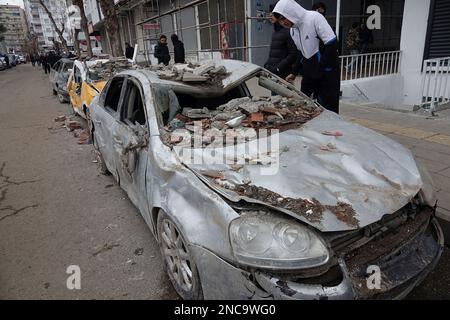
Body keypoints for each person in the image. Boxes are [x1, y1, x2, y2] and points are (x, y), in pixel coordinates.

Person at [273, 0, 340, 114]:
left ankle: (331, 130)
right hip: (309, 73)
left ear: (291, 12)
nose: (283, 23)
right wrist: (294, 72)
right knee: (305, 106)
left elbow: (332, 44)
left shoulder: (314, 17)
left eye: (284, 18)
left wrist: (321, 69)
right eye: (280, 20)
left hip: (327, 73)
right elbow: (301, 52)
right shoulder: (293, 30)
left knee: (328, 109)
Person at [264, 3, 300, 80]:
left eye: (273, 13)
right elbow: (274, 53)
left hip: (284, 75)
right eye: (270, 12)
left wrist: (278, 68)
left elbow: (293, 54)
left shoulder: (288, 31)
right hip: (273, 73)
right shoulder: (275, 32)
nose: (270, 15)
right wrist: (267, 64)